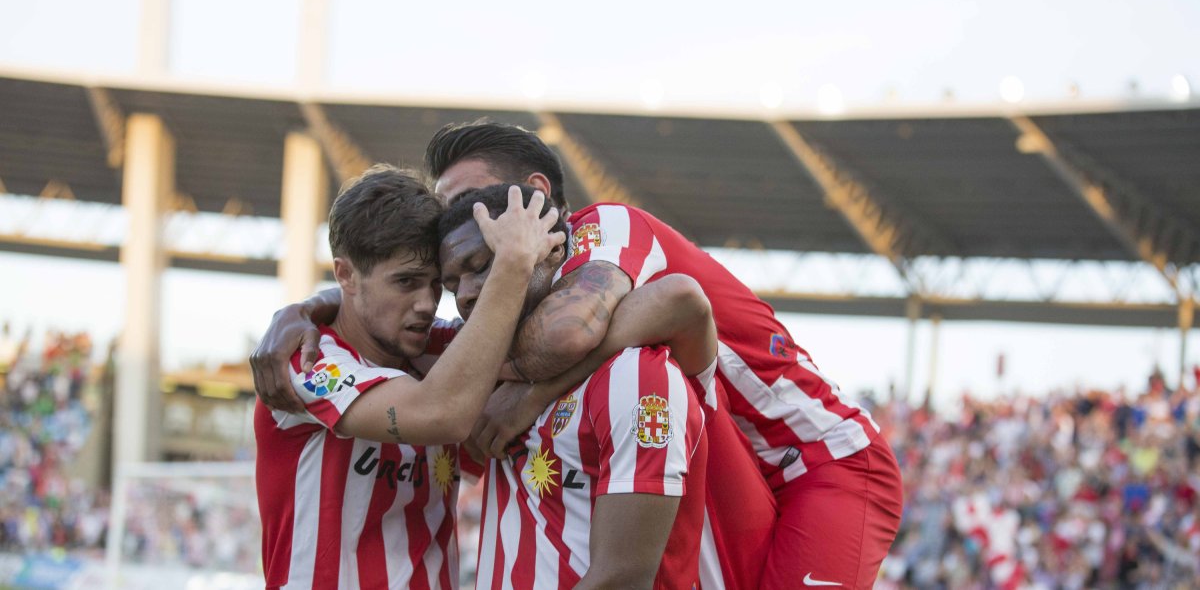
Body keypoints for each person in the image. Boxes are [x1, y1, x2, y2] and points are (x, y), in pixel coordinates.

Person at [425, 121, 905, 589]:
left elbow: (569, 333)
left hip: (822, 462)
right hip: (731, 465)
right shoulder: (518, 295)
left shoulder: (604, 227)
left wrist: (524, 394)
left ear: (537, 192)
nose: (456, 219)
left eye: (469, 200)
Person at [255, 166, 564, 589]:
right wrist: (512, 263)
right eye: (405, 282)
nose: (425, 304)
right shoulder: (307, 362)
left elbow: (571, 340)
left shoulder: (437, 350)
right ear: (345, 274)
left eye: (436, 285)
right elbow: (441, 414)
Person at [439, 185, 716, 588]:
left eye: (482, 265)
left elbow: (622, 579)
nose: (464, 295)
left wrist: (531, 394)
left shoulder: (639, 377)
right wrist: (315, 309)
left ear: (552, 249)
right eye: (451, 286)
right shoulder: (478, 362)